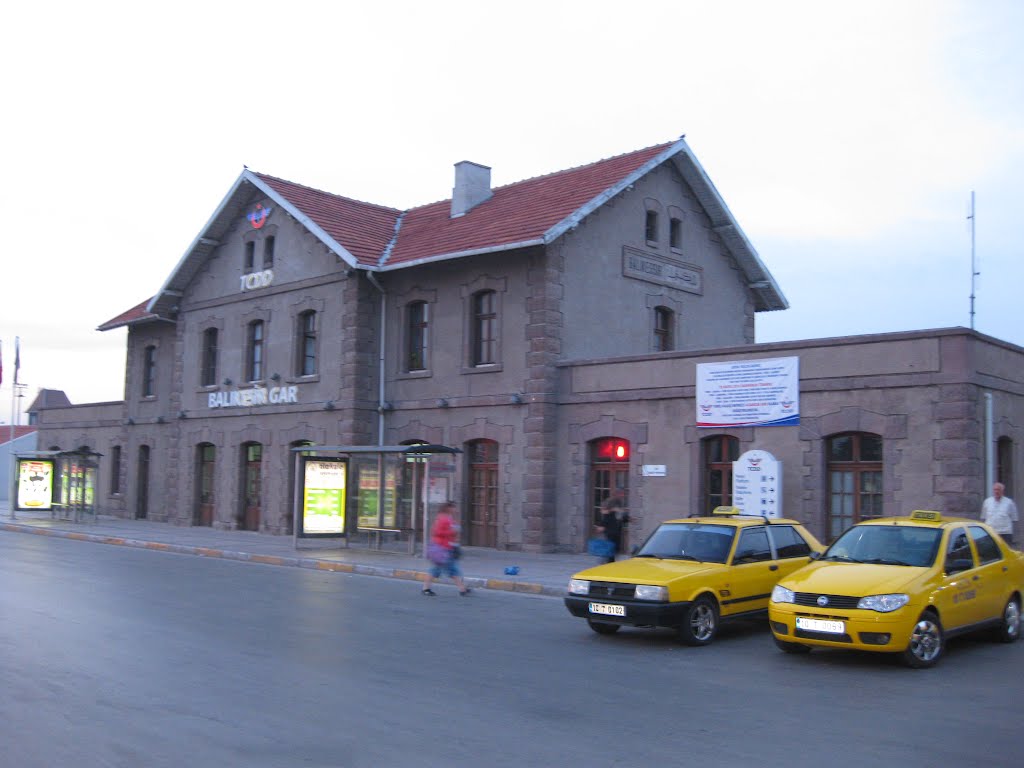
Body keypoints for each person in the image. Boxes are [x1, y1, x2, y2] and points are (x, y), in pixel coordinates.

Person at [422, 501, 472, 596]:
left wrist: (454, 532)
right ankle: (462, 589)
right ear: (449, 508)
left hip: (447, 547)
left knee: (443, 569)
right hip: (442, 548)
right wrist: (451, 532)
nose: (456, 510)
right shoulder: (443, 518)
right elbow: (437, 532)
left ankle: (462, 588)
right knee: (448, 569)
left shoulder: (448, 518)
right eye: (454, 507)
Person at [595, 494, 629, 563]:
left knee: (610, 553)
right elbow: (604, 523)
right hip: (612, 535)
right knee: (610, 553)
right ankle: (607, 564)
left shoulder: (612, 514)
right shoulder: (610, 514)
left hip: (613, 535)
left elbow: (622, 519)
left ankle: (607, 563)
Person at [981, 482, 1018, 546]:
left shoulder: (1009, 503)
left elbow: (1014, 518)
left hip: (1005, 533)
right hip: (991, 533)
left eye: (998, 489)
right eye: (995, 489)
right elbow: (983, 517)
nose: (996, 491)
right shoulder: (987, 502)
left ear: (1002, 491)